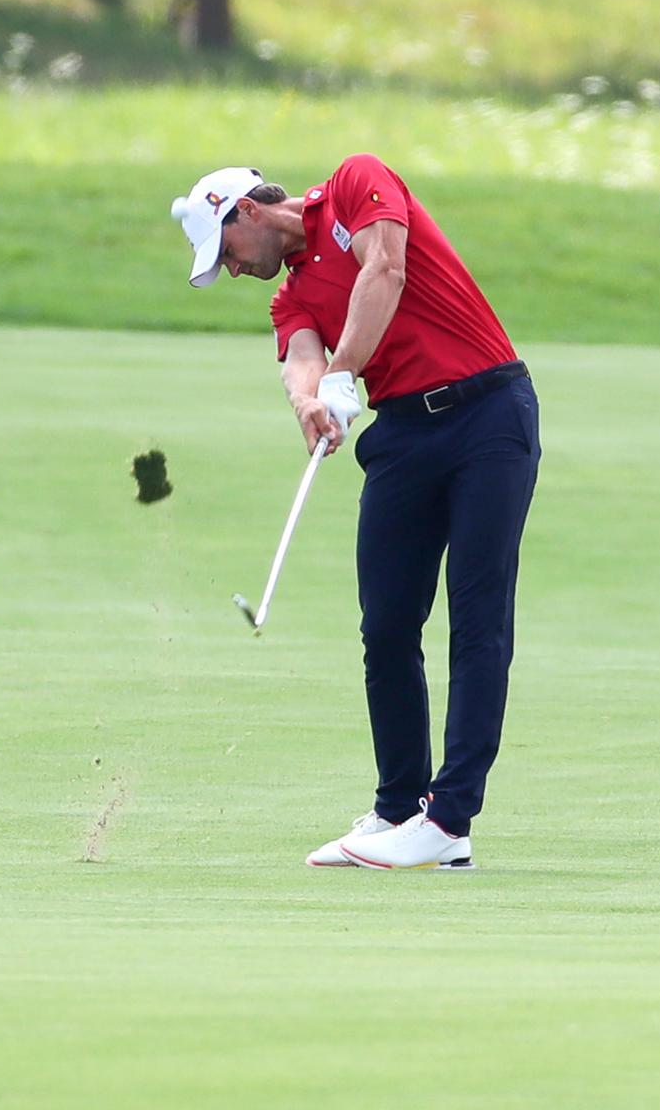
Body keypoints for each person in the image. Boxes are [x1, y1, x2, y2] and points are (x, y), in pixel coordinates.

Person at [170, 154, 540, 870]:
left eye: (229, 254)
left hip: (487, 413)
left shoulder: (353, 185)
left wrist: (343, 370)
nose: (235, 271)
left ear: (245, 211)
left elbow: (386, 271)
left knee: (477, 614)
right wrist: (312, 399)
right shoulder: (290, 298)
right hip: (402, 435)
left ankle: (450, 820)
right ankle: (400, 807)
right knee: (388, 625)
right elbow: (299, 359)